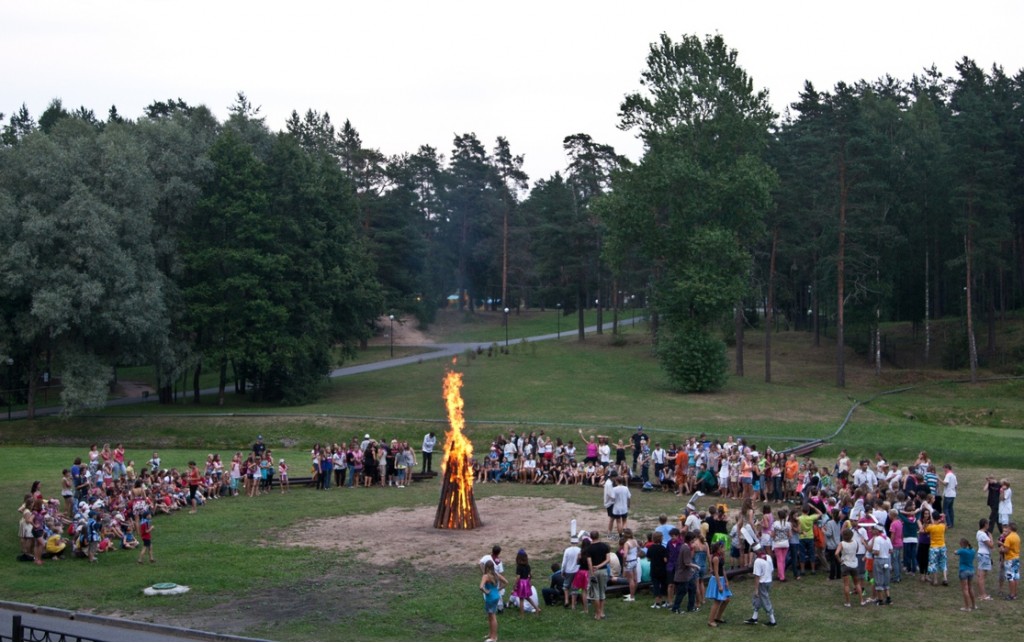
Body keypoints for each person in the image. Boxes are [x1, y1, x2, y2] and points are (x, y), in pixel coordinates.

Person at [744, 544, 777, 626]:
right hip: (768, 581)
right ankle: (754, 617)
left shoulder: (758, 561)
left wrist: (756, 589)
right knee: (757, 599)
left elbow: (757, 576)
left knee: (765, 600)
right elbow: (772, 570)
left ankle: (772, 621)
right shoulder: (768, 557)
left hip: (762, 583)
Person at [705, 539, 732, 627]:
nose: (724, 549)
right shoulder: (716, 558)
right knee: (717, 601)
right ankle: (710, 621)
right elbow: (716, 572)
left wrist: (726, 581)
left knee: (727, 599)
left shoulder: (721, 556)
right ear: (719, 548)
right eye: (723, 548)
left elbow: (723, 569)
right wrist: (720, 585)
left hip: (722, 579)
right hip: (717, 580)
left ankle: (718, 617)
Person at [587, 531, 612, 620]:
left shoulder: (589, 548)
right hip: (603, 570)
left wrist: (592, 572)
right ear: (598, 536)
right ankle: (602, 612)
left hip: (594, 571)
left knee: (595, 593)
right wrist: (599, 566)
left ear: (591, 537)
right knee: (602, 592)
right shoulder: (604, 546)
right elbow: (608, 559)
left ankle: (597, 614)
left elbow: (589, 562)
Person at [480, 559, 506, 642]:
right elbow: (506, 582)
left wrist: (486, 591)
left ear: (486, 567)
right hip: (496, 596)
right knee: (490, 616)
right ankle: (491, 634)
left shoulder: (486, 576)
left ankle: (494, 637)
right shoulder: (496, 574)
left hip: (490, 598)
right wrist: (499, 589)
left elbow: (481, 587)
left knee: (493, 616)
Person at [670, 532, 697, 614]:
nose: (694, 541)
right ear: (690, 539)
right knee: (681, 592)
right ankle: (675, 608)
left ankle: (691, 607)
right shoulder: (686, 548)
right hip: (683, 575)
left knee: (692, 589)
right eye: (694, 539)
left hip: (688, 574)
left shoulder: (684, 546)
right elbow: (687, 563)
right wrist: (696, 566)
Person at [837, 527, 863, 607]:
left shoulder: (842, 543)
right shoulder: (855, 542)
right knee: (857, 583)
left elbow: (836, 553)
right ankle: (861, 601)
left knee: (846, 585)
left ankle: (848, 602)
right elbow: (857, 551)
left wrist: (840, 560)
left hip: (845, 564)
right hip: (854, 564)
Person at [512, 549, 541, 616]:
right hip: (526, 582)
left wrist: (515, 584)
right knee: (527, 597)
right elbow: (530, 575)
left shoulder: (519, 567)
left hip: (521, 583)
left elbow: (518, 577)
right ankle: (536, 608)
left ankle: (522, 615)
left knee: (521, 599)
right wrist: (529, 581)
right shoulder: (528, 566)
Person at [925, 511, 949, 586]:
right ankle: (945, 578)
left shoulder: (931, 527)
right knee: (943, 561)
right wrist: (944, 519)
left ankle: (935, 580)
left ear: (932, 518)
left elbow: (925, 530)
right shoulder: (942, 526)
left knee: (934, 563)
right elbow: (946, 528)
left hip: (934, 547)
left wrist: (926, 522)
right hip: (942, 546)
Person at [647, 531, 670, 609]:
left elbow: (648, 558)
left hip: (654, 569)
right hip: (662, 569)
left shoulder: (650, 548)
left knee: (656, 586)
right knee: (664, 585)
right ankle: (665, 601)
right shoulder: (663, 548)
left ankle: (657, 603)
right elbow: (665, 560)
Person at [479, 545, 506, 611]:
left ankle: (491, 607)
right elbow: (501, 573)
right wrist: (501, 585)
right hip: (495, 578)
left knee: (487, 591)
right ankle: (500, 607)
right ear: (499, 553)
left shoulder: (486, 557)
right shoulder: (498, 561)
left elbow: (480, 563)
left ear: (492, 550)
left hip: (488, 579)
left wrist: (484, 572)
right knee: (497, 593)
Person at [955, 538, 977, 611]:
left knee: (965, 589)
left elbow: (955, 552)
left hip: (963, 570)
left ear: (962, 544)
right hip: (971, 570)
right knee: (971, 588)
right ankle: (974, 605)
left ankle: (967, 607)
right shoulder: (972, 550)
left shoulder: (962, 550)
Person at [560, 537, 581, 609]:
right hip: (577, 571)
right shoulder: (580, 550)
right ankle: (573, 605)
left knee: (565, 586)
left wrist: (562, 571)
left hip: (568, 571)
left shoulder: (567, 550)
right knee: (575, 587)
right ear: (577, 542)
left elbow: (564, 562)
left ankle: (566, 600)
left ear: (571, 542)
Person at [976, 518, 995, 601]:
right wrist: (991, 537)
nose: (988, 525)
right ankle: (983, 595)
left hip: (981, 554)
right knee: (982, 576)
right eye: (987, 523)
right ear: (985, 524)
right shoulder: (983, 535)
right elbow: (991, 545)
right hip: (984, 555)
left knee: (981, 575)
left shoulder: (978, 532)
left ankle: (981, 593)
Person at [620, 528, 640, 602]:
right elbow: (639, 549)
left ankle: (632, 597)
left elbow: (625, 555)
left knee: (631, 580)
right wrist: (636, 556)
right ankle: (633, 594)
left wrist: (624, 562)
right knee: (635, 579)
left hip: (629, 562)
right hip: (634, 561)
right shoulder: (635, 541)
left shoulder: (626, 543)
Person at [1001, 521, 1019, 600]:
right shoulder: (1017, 536)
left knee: (1010, 577)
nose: (1007, 529)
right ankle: (1015, 593)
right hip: (1016, 558)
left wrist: (1002, 549)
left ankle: (1011, 594)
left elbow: (1006, 550)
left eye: (1008, 527)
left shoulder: (1009, 538)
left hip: (1010, 559)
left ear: (1010, 528)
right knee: (1015, 577)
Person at [942, 464, 958, 528]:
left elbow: (945, 483)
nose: (944, 470)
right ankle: (952, 523)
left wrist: (939, 479)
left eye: (944, 468)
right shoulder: (954, 475)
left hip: (948, 494)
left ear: (947, 468)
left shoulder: (948, 475)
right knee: (950, 509)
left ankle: (949, 523)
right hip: (953, 494)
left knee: (945, 509)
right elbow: (956, 485)